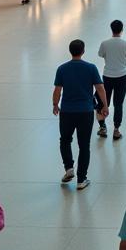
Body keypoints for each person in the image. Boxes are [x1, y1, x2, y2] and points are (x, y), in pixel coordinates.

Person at [52, 39, 108, 191]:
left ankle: (69, 167)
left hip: (67, 112)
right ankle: (81, 179)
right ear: (83, 51)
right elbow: (100, 88)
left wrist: (55, 105)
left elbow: (57, 90)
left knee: (65, 140)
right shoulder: (90, 68)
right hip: (85, 112)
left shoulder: (62, 69)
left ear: (70, 51)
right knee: (84, 145)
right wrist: (105, 106)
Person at [98, 19, 126, 140]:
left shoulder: (105, 43)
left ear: (111, 29)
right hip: (122, 77)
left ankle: (102, 127)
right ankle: (116, 130)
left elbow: (100, 54)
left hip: (107, 76)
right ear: (122, 30)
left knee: (103, 102)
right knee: (118, 104)